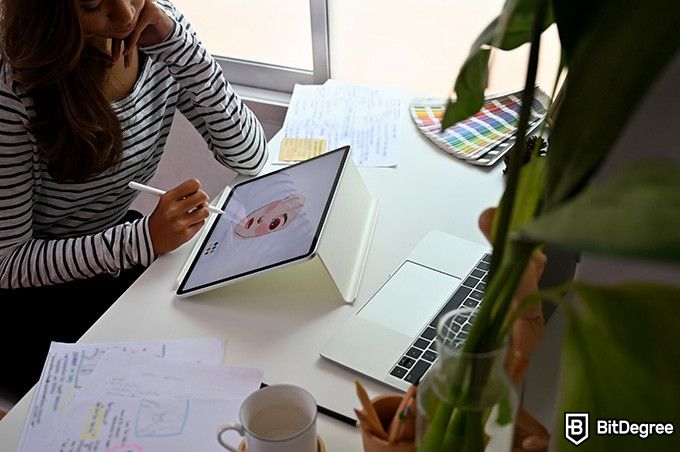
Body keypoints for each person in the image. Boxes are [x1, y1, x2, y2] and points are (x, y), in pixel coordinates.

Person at [0, 0, 267, 394]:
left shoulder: (158, 36)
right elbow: (8, 262)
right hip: (33, 300)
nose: (125, 16)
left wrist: (179, 44)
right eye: (93, 5)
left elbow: (250, 153)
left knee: (237, 347)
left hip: (109, 251)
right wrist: (142, 240)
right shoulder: (15, 88)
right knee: (176, 389)